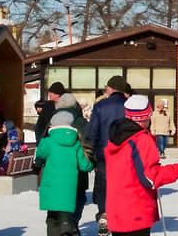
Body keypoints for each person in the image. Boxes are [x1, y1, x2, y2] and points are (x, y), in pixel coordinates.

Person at [105, 95, 178, 236]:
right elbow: (151, 177)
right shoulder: (141, 140)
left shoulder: (116, 137)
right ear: (146, 117)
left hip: (117, 211)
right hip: (135, 211)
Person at [34, 111, 94, 236]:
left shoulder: (49, 142)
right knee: (65, 216)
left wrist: (46, 135)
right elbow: (84, 165)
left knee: (51, 217)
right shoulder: (76, 143)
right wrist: (92, 164)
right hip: (69, 188)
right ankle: (66, 229)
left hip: (51, 187)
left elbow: (40, 153)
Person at [86, 75, 128, 236]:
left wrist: (89, 152)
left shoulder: (100, 105)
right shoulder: (129, 105)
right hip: (125, 154)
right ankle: (121, 218)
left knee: (104, 187)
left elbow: (93, 131)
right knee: (123, 187)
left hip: (104, 155)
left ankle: (104, 214)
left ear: (111, 88)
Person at [55, 92, 89, 227]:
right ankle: (73, 221)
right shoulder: (81, 122)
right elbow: (88, 142)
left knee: (60, 196)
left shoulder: (53, 120)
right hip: (77, 166)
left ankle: (62, 222)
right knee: (79, 196)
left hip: (56, 167)